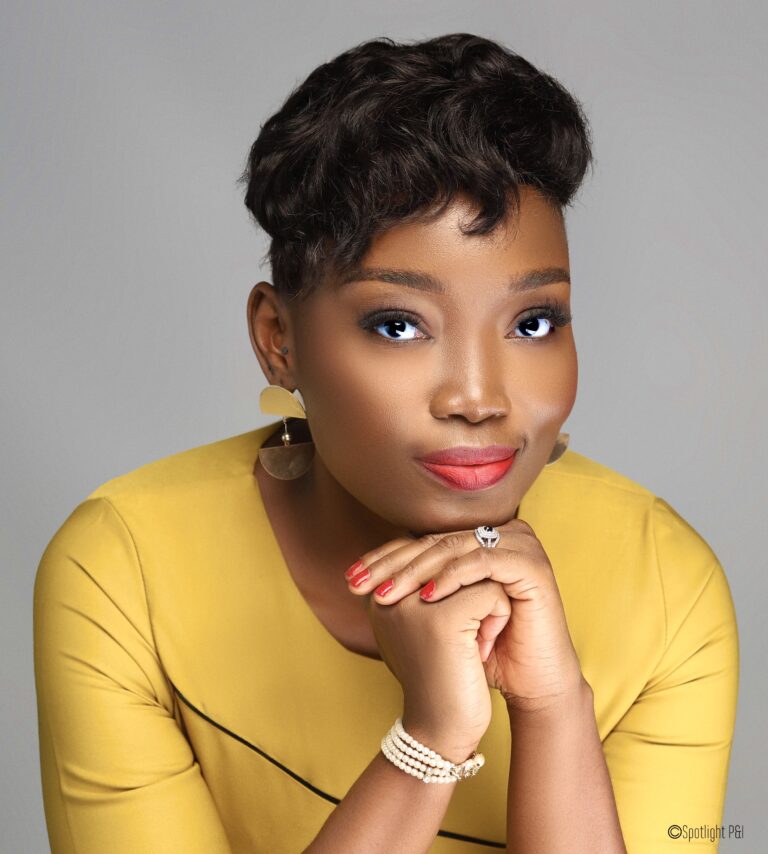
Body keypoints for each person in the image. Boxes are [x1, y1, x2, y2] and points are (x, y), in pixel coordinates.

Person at [33, 33, 738, 854]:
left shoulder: (663, 586)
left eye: (533, 322)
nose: (478, 398)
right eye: (399, 325)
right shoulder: (127, 570)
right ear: (279, 340)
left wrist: (555, 710)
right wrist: (430, 742)